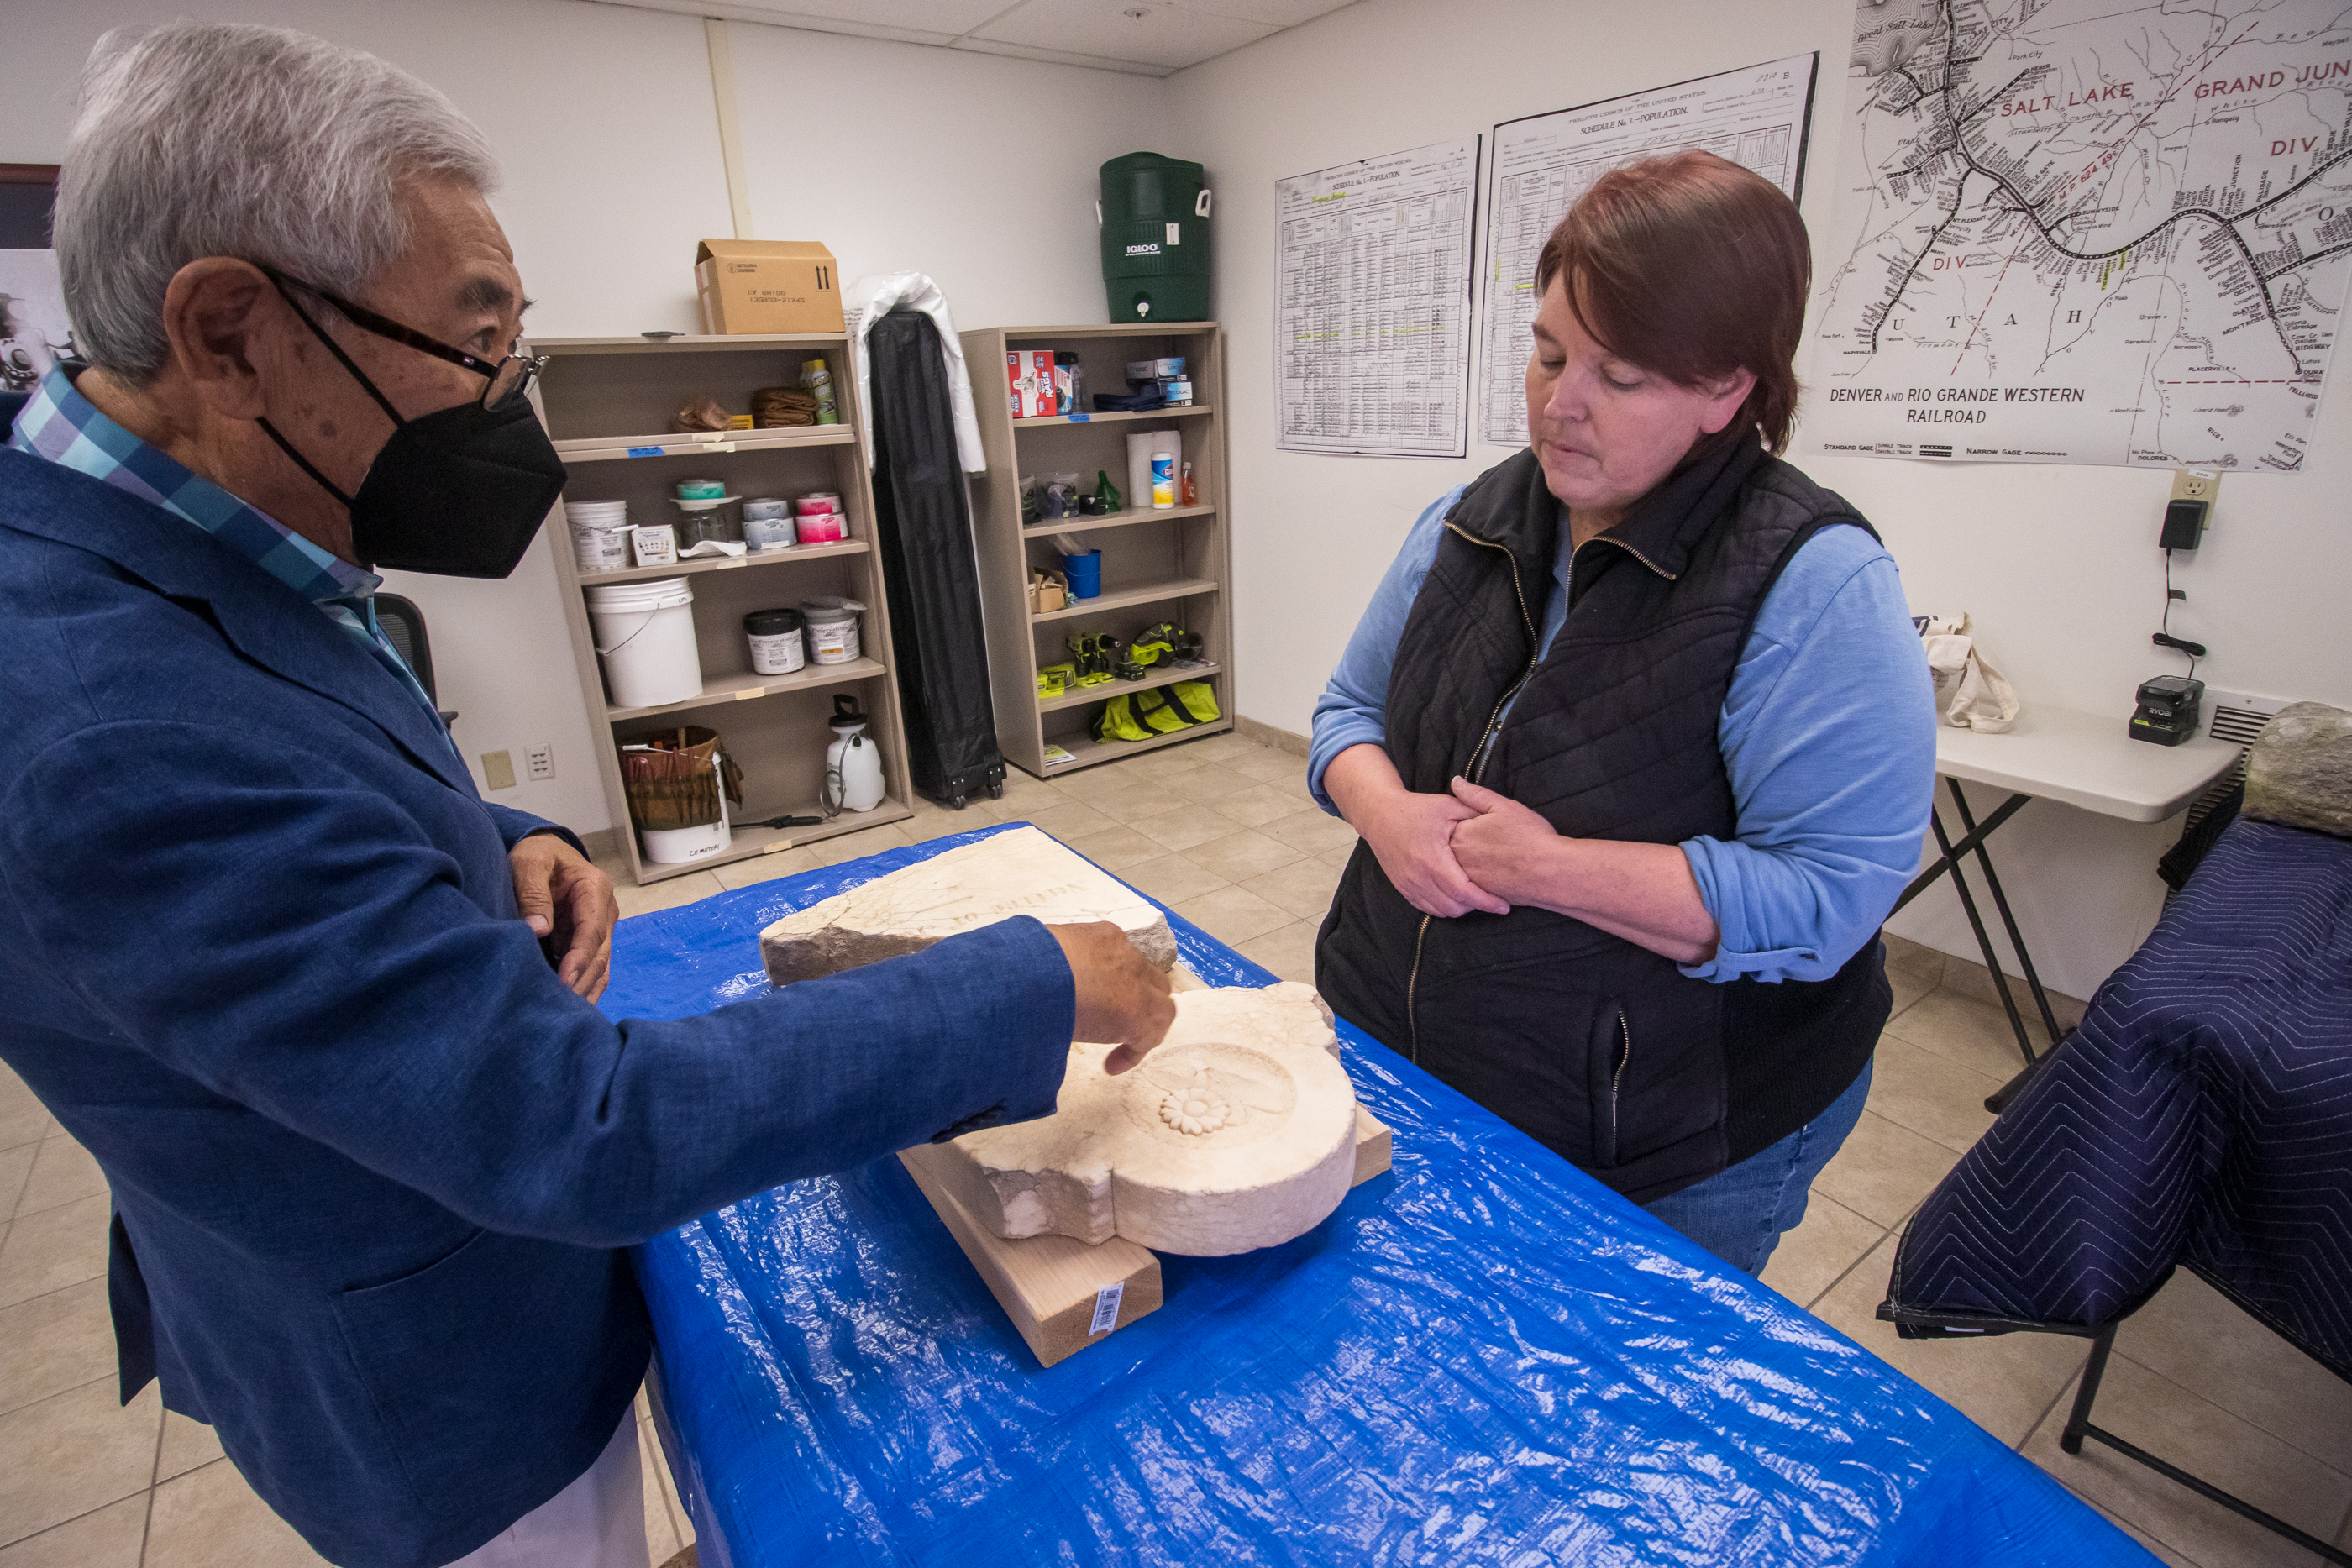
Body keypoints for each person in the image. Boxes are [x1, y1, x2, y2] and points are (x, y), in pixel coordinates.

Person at [0, 24, 1172, 1568]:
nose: (506, 402)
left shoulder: (172, 541)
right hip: (434, 1386)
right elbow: (580, 1128)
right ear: (229, 332)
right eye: (476, 343)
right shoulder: (99, 717)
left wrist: (503, 837)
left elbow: (294, 788)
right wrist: (1024, 982)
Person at [1311, 150, 1935, 1274]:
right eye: (1548, 354)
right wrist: (1387, 816)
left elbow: (1827, 899)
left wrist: (1546, 868)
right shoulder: (1471, 519)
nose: (1563, 403)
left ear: (1726, 391)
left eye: (1623, 375)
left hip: (1670, 1137)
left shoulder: (1813, 582)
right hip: (1413, 1047)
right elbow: (1348, 710)